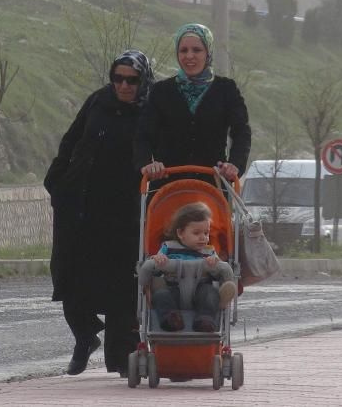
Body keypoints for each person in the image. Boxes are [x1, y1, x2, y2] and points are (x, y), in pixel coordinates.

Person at [44, 50, 154, 377]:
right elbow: (71, 141)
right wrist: (57, 181)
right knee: (70, 277)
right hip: (82, 207)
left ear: (143, 80)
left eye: (131, 80)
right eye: (117, 78)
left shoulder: (151, 112)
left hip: (125, 213)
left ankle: (122, 359)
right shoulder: (98, 101)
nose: (123, 86)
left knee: (123, 285)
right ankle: (84, 336)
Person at [134, 23, 251, 185]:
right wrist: (147, 164)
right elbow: (143, 135)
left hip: (212, 185)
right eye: (183, 50)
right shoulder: (160, 91)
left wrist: (235, 165)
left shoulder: (226, 89)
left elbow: (241, 131)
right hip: (167, 187)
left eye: (197, 50)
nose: (189, 56)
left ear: (207, 52)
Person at [139, 202, 237, 332]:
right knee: (160, 295)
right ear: (180, 233)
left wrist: (214, 262)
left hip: (200, 290)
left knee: (210, 294)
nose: (203, 237)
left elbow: (220, 271)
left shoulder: (209, 251)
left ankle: (205, 319)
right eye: (196, 233)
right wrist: (158, 259)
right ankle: (171, 318)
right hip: (173, 289)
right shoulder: (168, 247)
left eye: (206, 233)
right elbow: (154, 265)